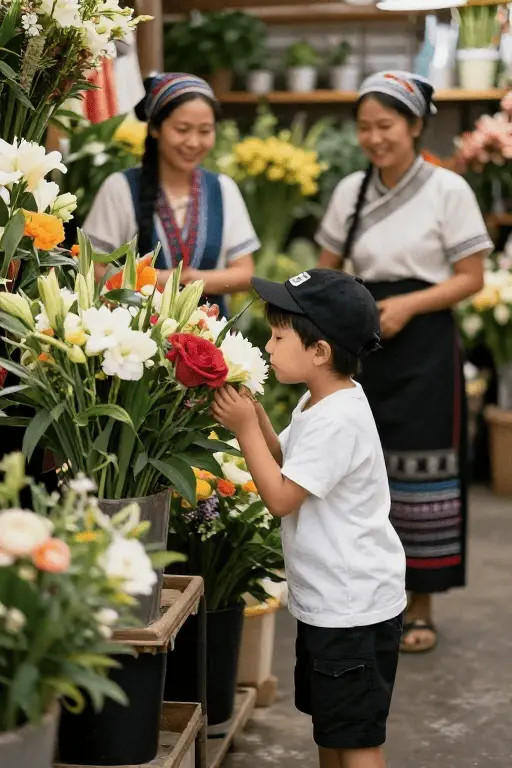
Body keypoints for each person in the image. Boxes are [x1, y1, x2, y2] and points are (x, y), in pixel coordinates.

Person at [316, 71, 493, 653]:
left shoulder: (448, 190)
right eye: (364, 127)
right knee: (360, 472)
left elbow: (471, 278)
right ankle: (363, 601)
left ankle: (420, 604)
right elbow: (326, 272)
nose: (374, 138)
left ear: (416, 125)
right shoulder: (351, 190)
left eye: (386, 125)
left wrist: (410, 305)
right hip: (362, 348)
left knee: (424, 472)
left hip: (425, 349)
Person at [212, 268, 406, 768]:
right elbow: (286, 463)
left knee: (356, 740)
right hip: (334, 603)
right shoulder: (319, 401)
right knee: (332, 727)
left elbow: (280, 497)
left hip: (353, 610)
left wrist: (244, 430)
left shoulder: (338, 419)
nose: (268, 347)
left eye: (279, 337)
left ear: (319, 351)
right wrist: (255, 416)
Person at [83, 72, 260, 316]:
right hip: (136, 332)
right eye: (182, 129)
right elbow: (93, 268)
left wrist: (189, 280)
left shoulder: (223, 188)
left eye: (205, 131)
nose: (193, 142)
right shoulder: (120, 188)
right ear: (155, 128)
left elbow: (244, 273)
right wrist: (158, 280)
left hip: (210, 333)